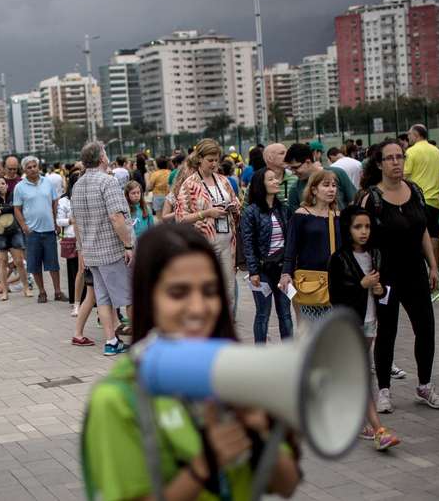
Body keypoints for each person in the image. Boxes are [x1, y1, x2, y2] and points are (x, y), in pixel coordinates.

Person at [82, 224, 301, 501]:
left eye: (210, 291)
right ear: (148, 298)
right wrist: (205, 464)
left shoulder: (238, 372)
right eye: (178, 293)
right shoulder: (117, 399)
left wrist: (262, 432)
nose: (199, 308)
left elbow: (287, 484)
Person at [358, 140, 439, 413]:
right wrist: (368, 278)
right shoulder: (370, 198)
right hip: (386, 277)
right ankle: (384, 391)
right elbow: (360, 240)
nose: (396, 162)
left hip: (415, 273)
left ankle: (425, 385)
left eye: (400, 157)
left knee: (426, 329)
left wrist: (433, 265)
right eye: (390, 158)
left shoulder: (415, 191)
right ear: (380, 163)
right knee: (387, 333)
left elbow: (423, 231)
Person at [328, 206, 400, 451]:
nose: (363, 232)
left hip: (370, 320)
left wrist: (382, 291)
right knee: (361, 372)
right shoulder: (339, 259)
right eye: (358, 227)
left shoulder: (377, 254)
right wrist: (361, 284)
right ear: (347, 229)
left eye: (367, 226)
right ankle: (379, 429)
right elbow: (335, 295)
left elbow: (388, 288)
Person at [71, 142, 134, 356]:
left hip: (91, 252)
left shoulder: (77, 185)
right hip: (112, 250)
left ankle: (111, 341)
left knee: (104, 298)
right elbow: (116, 217)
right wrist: (128, 244)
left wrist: (82, 249)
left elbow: (76, 222)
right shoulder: (108, 182)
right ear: (101, 158)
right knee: (129, 297)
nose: (107, 156)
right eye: (105, 153)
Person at [176, 139, 241, 310]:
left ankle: (225, 328)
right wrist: (206, 213)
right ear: (200, 159)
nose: (214, 164)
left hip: (227, 242)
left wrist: (234, 208)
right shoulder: (190, 184)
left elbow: (236, 203)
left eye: (216, 160)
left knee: (228, 290)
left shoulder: (223, 180)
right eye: (210, 160)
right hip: (203, 245)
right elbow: (180, 218)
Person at [279, 169, 341, 325]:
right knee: (310, 330)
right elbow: (291, 247)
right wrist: (286, 273)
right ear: (314, 189)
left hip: (334, 281)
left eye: (334, 185)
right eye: (326, 185)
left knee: (332, 331)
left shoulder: (339, 216)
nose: (331, 189)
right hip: (309, 282)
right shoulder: (301, 214)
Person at [240, 168, 293, 343]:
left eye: (276, 179)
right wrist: (253, 271)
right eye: (270, 179)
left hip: (282, 269)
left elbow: (290, 241)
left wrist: (289, 268)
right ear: (260, 185)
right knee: (263, 314)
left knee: (285, 314)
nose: (276, 181)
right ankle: (260, 354)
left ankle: (289, 352)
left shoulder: (283, 209)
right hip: (262, 270)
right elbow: (248, 244)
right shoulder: (251, 212)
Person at [13, 156, 66, 303]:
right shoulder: (20, 187)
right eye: (29, 167)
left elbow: (55, 202)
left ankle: (57, 292)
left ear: (38, 167)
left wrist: (56, 221)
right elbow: (17, 209)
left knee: (53, 264)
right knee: (35, 264)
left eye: (34, 166)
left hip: (49, 229)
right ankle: (42, 292)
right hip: (32, 232)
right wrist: (24, 226)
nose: (32, 169)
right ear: (24, 169)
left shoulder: (47, 182)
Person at [404, 124, 439, 267]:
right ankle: (436, 267)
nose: (408, 137)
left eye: (409, 134)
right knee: (434, 234)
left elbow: (405, 176)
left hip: (417, 200)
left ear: (416, 135)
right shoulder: (437, 151)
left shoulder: (411, 152)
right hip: (434, 199)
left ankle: (418, 267)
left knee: (416, 235)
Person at [0, 176, 31, 301]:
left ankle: (26, 287)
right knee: (1, 262)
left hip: (14, 231)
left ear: (7, 185)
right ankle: (4, 290)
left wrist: (0, 211)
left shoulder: (13, 195)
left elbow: (14, 207)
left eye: (3, 183)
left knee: (18, 261)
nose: (1, 185)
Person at [283, 143, 357, 213]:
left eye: (295, 167)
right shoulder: (295, 189)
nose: (293, 172)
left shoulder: (337, 173)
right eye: (291, 168)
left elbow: (354, 201)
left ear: (308, 162)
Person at [57, 171, 81, 310]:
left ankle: (88, 298)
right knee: (73, 270)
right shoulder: (64, 201)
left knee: (86, 270)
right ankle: (74, 299)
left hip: (86, 237)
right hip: (71, 238)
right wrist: (70, 220)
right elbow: (59, 220)